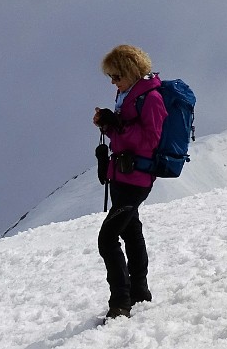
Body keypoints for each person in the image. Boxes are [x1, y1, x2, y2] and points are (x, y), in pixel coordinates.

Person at [92, 44, 166, 319]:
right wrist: (108, 125)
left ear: (131, 71)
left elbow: (150, 140)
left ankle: (120, 302)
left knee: (107, 238)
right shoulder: (128, 96)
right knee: (130, 231)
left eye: (116, 76)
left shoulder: (151, 98)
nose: (113, 82)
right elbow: (125, 138)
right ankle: (139, 291)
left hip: (137, 179)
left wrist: (118, 126)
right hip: (122, 175)